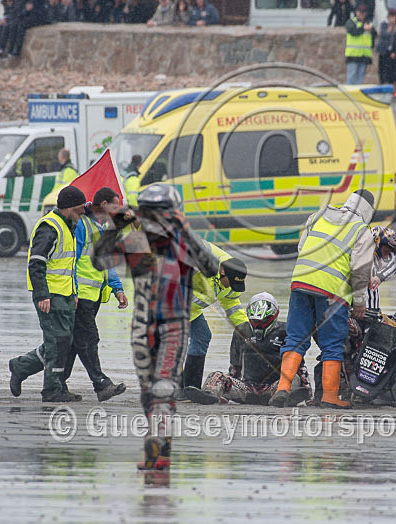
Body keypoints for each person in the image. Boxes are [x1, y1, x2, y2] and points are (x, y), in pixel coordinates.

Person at [92, 183, 218, 470]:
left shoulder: (181, 242)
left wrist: (184, 230)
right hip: (144, 325)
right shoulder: (137, 240)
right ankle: (157, 447)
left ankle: (159, 452)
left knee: (162, 388)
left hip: (173, 324)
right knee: (149, 391)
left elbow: (211, 267)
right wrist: (114, 226)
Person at [269, 189, 375, 409]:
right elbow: (361, 270)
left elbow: (302, 248)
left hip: (300, 282)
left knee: (296, 339)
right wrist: (359, 302)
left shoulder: (319, 215)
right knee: (332, 344)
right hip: (332, 292)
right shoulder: (361, 230)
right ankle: (329, 396)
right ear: (368, 211)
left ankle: (282, 389)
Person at [8, 186, 86, 402]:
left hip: (65, 295)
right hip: (50, 296)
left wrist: (73, 292)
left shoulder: (67, 225)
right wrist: (42, 295)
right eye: (79, 210)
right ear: (68, 207)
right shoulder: (50, 228)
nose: (81, 215)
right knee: (56, 343)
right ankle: (52, 390)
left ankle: (21, 367)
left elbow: (66, 265)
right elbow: (36, 263)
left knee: (63, 343)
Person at [184, 293, 313, 406]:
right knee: (216, 376)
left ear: (275, 315)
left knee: (294, 378)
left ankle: (282, 399)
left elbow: (300, 366)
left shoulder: (286, 331)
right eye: (255, 321)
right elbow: (235, 367)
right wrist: (225, 387)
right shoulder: (241, 331)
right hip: (247, 388)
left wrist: (309, 396)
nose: (258, 325)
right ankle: (210, 396)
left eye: (263, 321)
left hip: (276, 387)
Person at [61, 187, 128, 402]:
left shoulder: (104, 228)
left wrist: (117, 289)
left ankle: (54, 383)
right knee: (89, 338)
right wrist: (75, 292)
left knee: (73, 342)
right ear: (104, 204)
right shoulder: (82, 225)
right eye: (115, 206)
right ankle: (101, 384)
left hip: (95, 294)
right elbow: (72, 260)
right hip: (81, 295)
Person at [181, 242, 252, 393]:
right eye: (230, 283)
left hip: (190, 309)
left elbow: (232, 304)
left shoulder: (233, 274)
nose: (231, 287)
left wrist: (245, 328)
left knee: (202, 336)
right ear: (222, 272)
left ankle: (190, 387)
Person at [366, 227, 396, 311]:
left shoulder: (382, 257)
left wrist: (379, 277)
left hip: (370, 307)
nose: (385, 256)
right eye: (385, 251)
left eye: (388, 252)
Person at [345, 4, 376, 85]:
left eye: (363, 12)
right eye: (360, 12)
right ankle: (350, 93)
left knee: (361, 76)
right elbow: (353, 32)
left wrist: (371, 29)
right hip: (353, 54)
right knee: (351, 76)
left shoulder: (369, 23)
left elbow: (374, 34)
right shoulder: (351, 22)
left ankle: (358, 93)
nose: (361, 14)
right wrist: (363, 28)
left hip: (364, 55)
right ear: (356, 12)